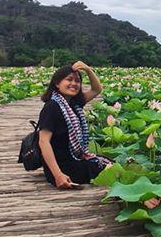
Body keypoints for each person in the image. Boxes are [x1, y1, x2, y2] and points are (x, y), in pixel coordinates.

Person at [37, 61, 112, 189]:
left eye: (77, 81)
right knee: (110, 169)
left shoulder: (74, 104)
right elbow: (43, 142)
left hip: (75, 160)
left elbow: (96, 89)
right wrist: (58, 175)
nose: (74, 84)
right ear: (57, 83)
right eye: (69, 79)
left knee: (109, 162)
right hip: (63, 168)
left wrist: (88, 70)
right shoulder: (52, 107)